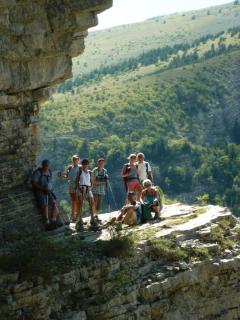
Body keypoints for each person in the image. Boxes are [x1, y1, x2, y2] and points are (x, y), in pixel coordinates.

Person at [32, 159, 59, 230]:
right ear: (42, 165)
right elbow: (34, 184)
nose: (46, 167)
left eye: (47, 165)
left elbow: (50, 181)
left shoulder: (49, 172)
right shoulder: (37, 173)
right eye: (45, 165)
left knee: (54, 203)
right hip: (40, 191)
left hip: (49, 191)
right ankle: (47, 222)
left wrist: (49, 188)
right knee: (45, 205)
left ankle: (53, 221)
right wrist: (43, 188)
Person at [76, 159, 97, 229]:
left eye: (86, 164)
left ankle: (92, 218)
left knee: (92, 202)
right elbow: (77, 181)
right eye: (84, 164)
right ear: (82, 165)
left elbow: (91, 182)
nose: (85, 165)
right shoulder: (80, 172)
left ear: (88, 165)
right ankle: (80, 219)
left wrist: (90, 187)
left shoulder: (90, 172)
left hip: (88, 188)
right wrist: (79, 189)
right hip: (81, 188)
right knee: (80, 204)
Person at [59, 155, 81, 222]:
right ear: (72, 161)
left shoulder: (80, 167)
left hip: (78, 184)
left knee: (77, 200)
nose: (75, 161)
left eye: (76, 160)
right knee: (73, 200)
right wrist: (61, 176)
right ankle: (73, 215)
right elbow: (67, 176)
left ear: (78, 160)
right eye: (74, 160)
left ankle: (77, 215)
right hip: (71, 184)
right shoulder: (70, 167)